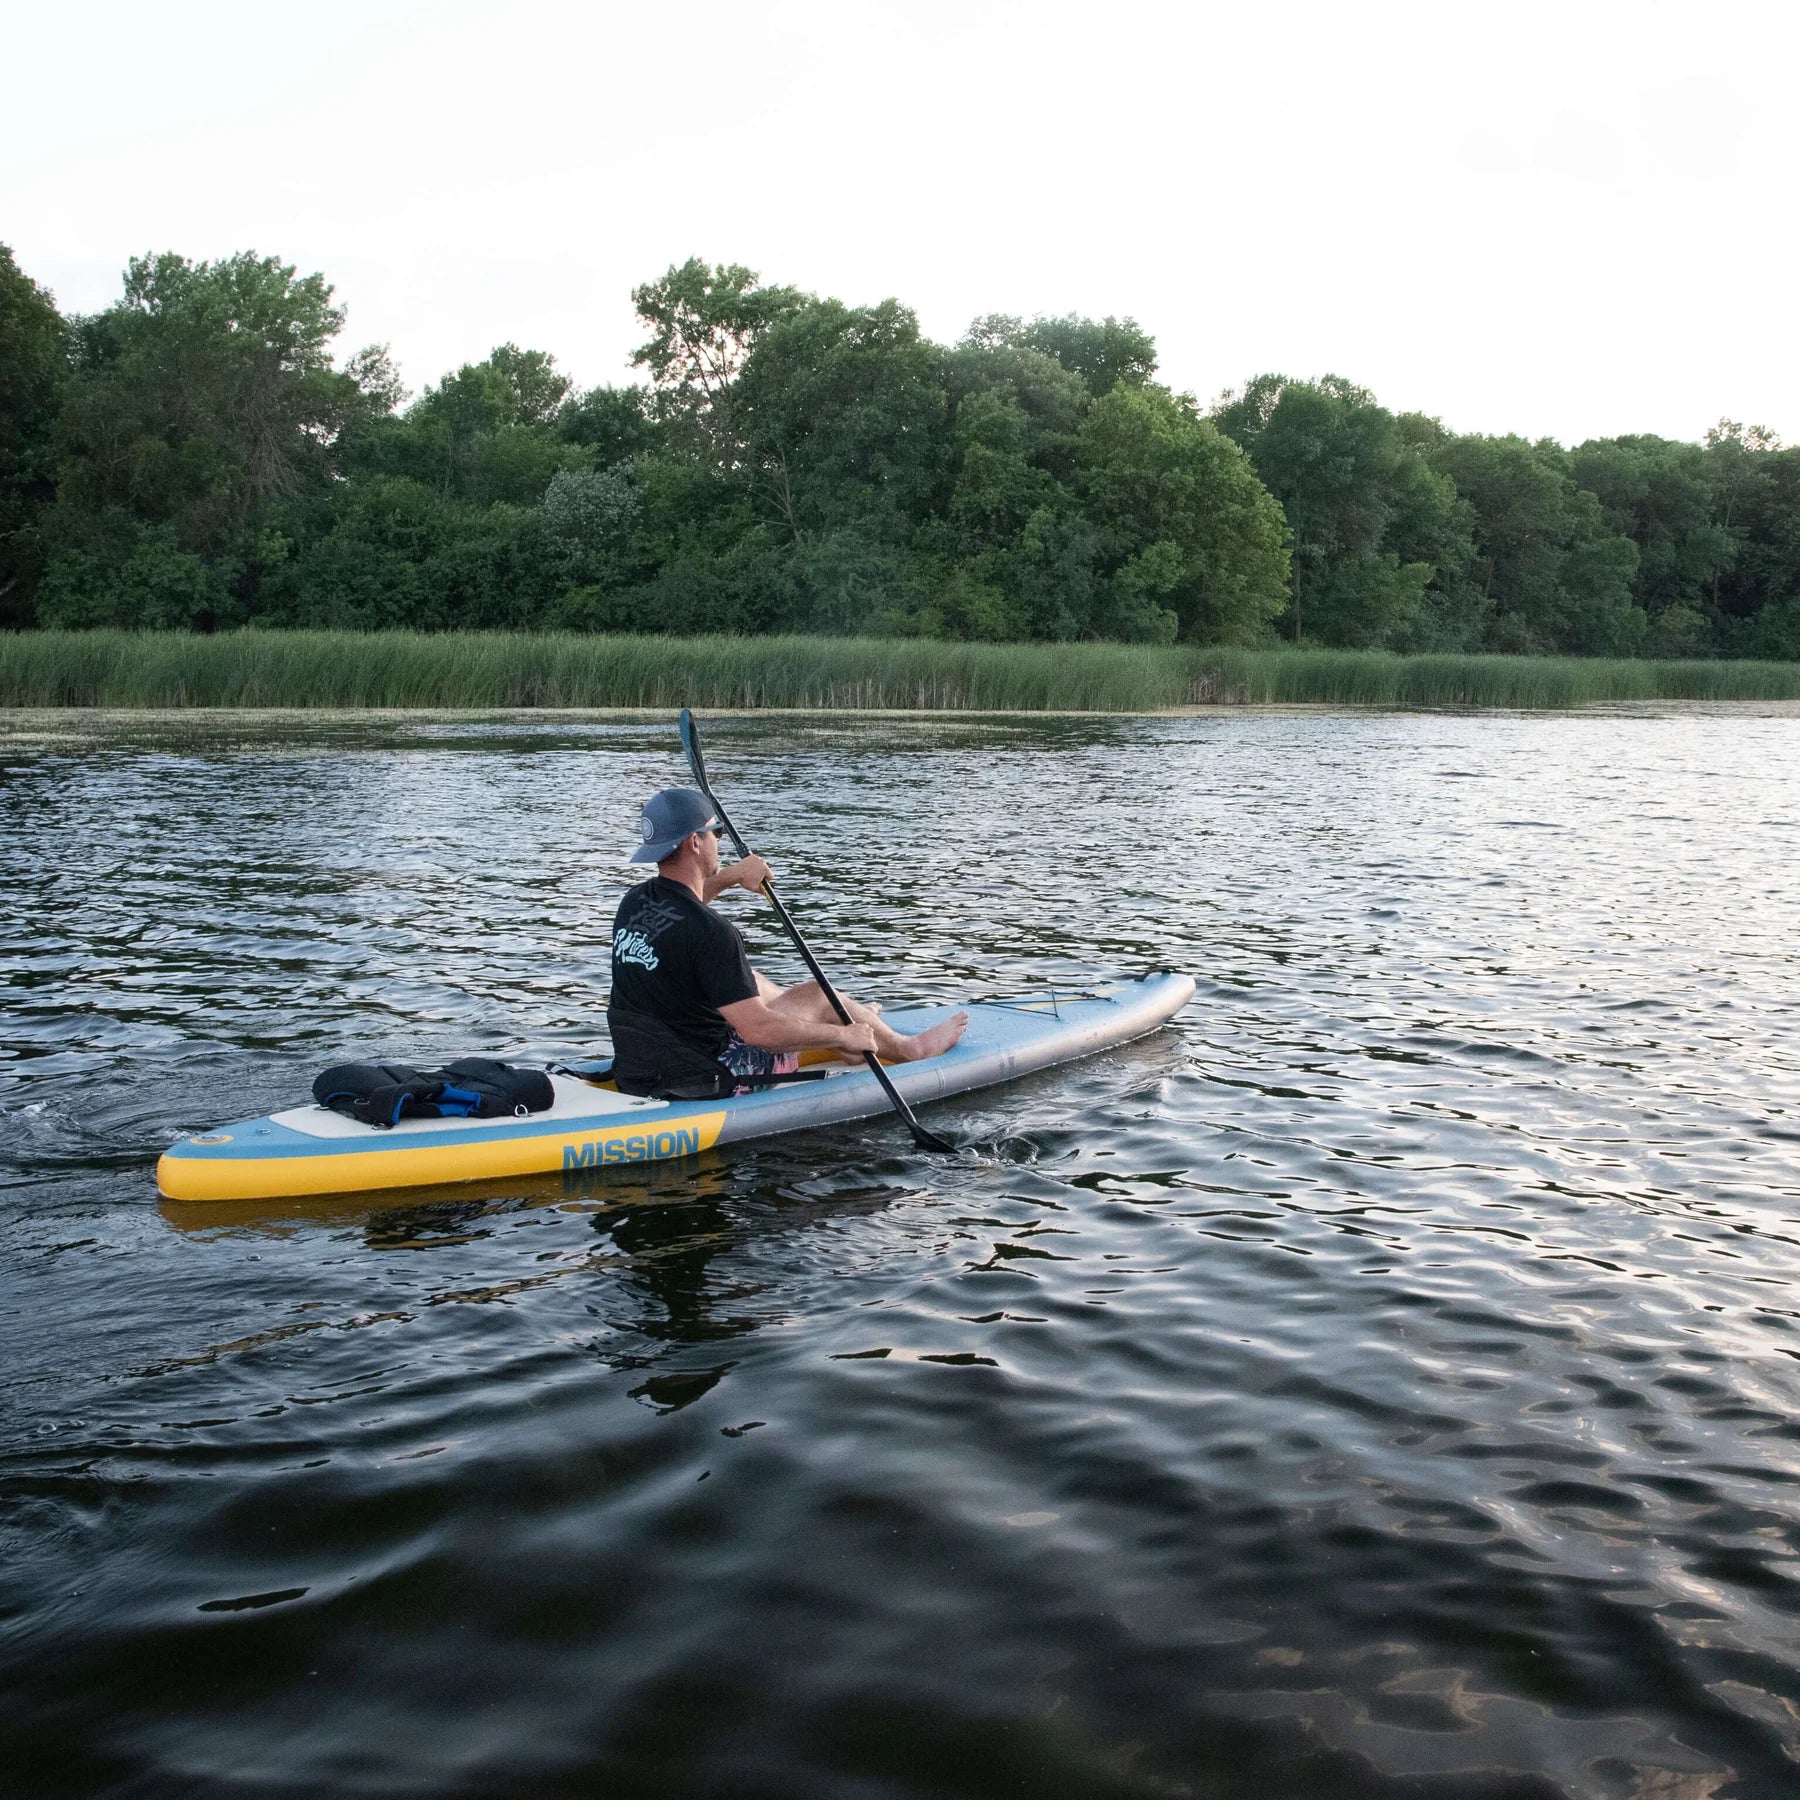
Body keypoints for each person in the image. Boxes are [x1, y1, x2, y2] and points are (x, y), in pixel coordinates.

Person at [608, 787, 967, 1099]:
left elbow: (686, 909)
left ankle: (844, 1017)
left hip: (641, 1065)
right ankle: (910, 1048)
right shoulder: (713, 932)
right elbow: (757, 1032)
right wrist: (842, 1037)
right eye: (716, 832)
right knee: (815, 994)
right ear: (695, 842)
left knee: (749, 977)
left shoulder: (635, 904)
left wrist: (733, 876)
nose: (719, 839)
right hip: (709, 1076)